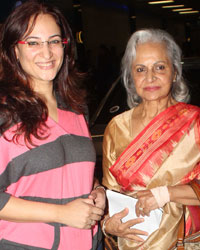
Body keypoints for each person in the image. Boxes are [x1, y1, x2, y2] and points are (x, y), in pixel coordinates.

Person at [0, 0, 106, 249]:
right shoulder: (5, 112)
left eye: (54, 41)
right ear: (15, 50)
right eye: (33, 42)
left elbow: (76, 171)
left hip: (88, 242)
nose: (46, 53)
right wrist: (60, 214)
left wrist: (98, 190)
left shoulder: (76, 108)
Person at [102, 28, 200, 249]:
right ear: (131, 76)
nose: (150, 77)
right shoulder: (116, 128)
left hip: (183, 242)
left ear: (175, 72)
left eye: (160, 67)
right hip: (131, 242)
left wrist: (165, 194)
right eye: (140, 69)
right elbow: (111, 197)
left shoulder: (195, 122)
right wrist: (108, 224)